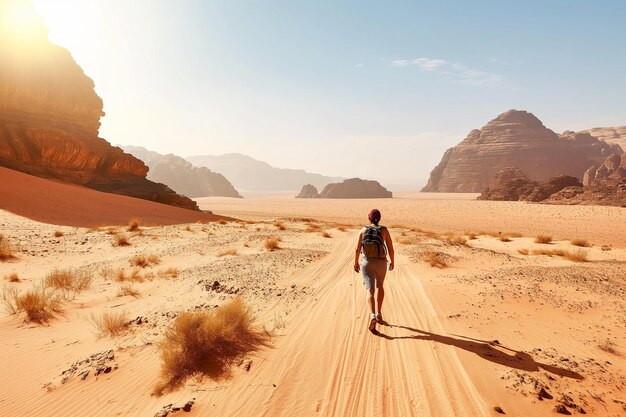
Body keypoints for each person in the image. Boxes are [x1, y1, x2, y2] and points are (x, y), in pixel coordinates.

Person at [353, 208, 394, 333]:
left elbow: (357, 248)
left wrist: (355, 262)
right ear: (379, 218)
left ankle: (372, 315)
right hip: (381, 262)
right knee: (380, 286)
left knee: (369, 290)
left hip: (367, 263)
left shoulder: (363, 230)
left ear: (369, 218)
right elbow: (390, 248)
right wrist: (392, 261)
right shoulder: (384, 230)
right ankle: (379, 314)